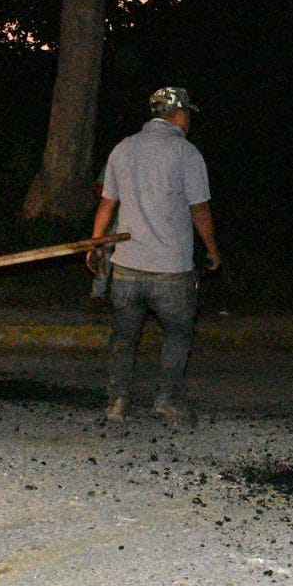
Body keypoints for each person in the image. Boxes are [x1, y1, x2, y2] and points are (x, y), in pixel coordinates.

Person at [89, 87, 223, 427]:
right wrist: (211, 248)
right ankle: (166, 401)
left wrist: (95, 244)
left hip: (127, 268)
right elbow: (199, 209)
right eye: (188, 113)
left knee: (124, 336)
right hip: (170, 270)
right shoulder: (185, 153)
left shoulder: (123, 148)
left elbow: (107, 203)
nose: (189, 120)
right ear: (178, 114)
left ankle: (117, 402)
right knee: (178, 334)